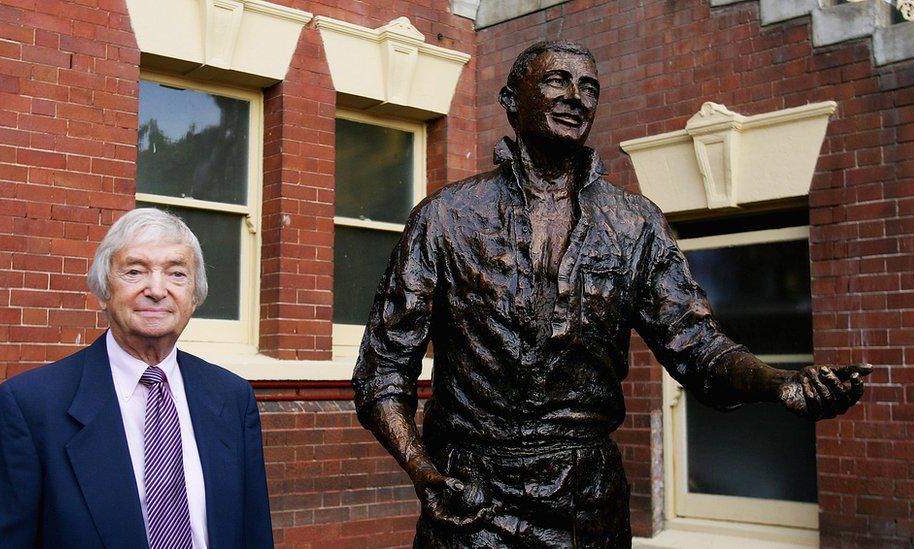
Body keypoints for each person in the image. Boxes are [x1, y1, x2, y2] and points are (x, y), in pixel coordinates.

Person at [352, 41, 871, 548]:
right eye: (557, 80)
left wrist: (780, 384)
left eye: (589, 88)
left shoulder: (633, 224)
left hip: (587, 502)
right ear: (511, 99)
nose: (575, 96)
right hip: (470, 498)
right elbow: (382, 372)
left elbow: (697, 347)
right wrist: (423, 471)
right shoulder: (445, 217)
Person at [0, 208, 273, 548]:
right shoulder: (30, 406)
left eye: (177, 274)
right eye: (135, 271)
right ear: (103, 290)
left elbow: (254, 533)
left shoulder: (231, 397)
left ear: (195, 296)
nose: (157, 290)